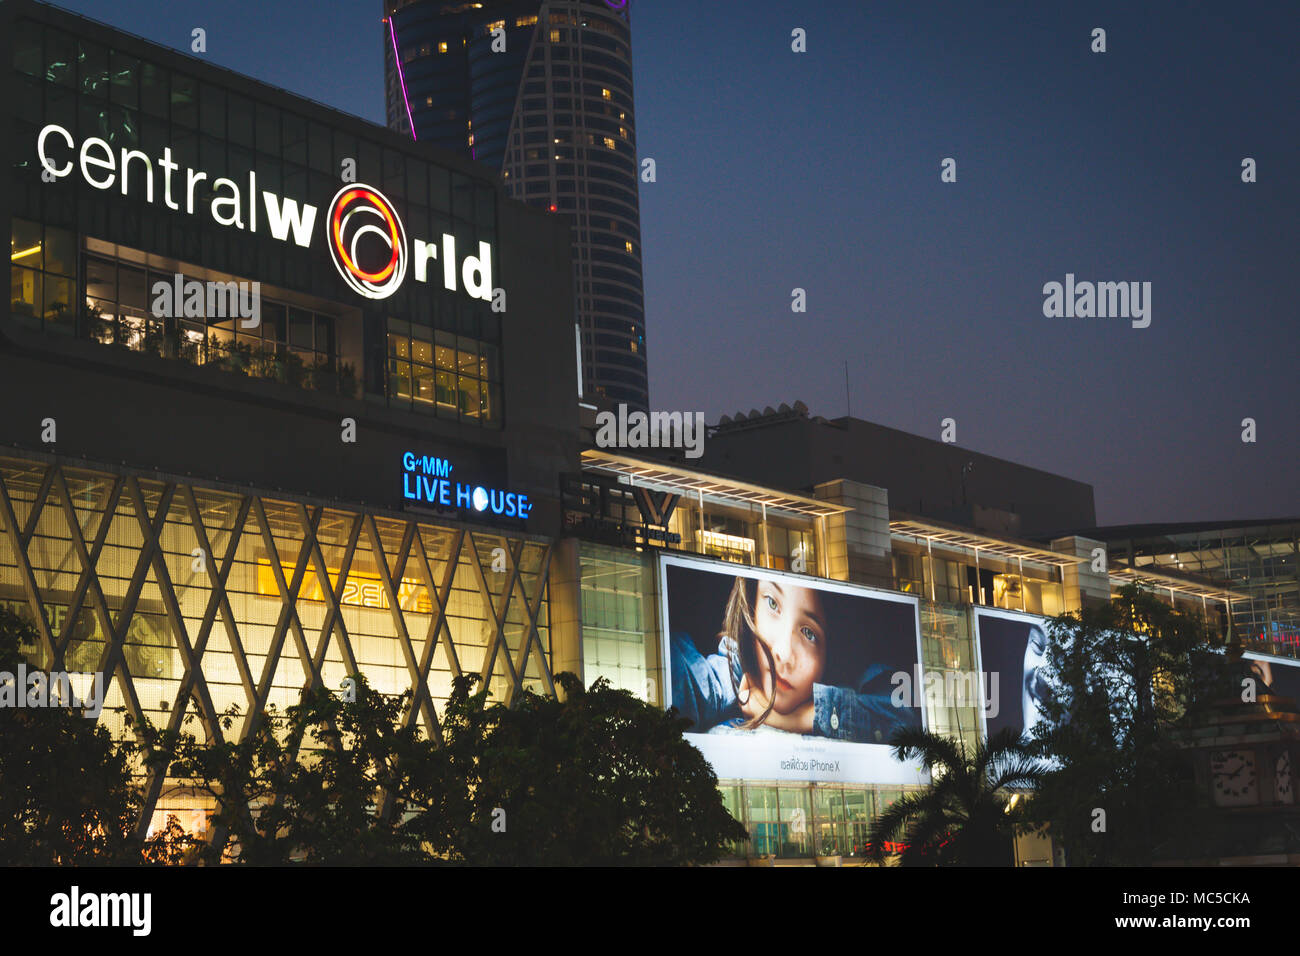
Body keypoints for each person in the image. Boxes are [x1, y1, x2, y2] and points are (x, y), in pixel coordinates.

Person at [670, 575, 907, 743]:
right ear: (752, 604)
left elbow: (904, 721)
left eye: (809, 633)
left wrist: (798, 717)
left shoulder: (859, 681)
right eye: (772, 604)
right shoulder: (732, 672)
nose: (782, 654)